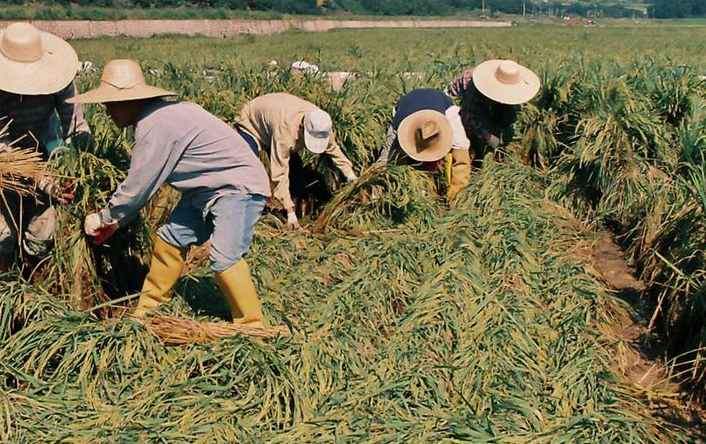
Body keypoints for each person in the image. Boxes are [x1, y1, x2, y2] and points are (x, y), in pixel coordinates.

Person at [74, 59, 269, 325]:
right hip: (205, 191)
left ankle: (252, 327)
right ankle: (147, 313)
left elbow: (140, 184)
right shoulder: (163, 114)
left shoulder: (154, 125)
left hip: (237, 189)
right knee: (170, 239)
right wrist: (117, 222)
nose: (107, 111)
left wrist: (105, 217)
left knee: (224, 258)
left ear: (128, 102)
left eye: (109, 104)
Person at [0, 22, 91, 270]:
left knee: (42, 233)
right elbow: (0, 147)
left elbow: (74, 123)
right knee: (2, 234)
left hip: (44, 152)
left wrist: (79, 159)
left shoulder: (58, 80)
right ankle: (3, 288)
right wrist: (41, 180)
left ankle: (33, 287)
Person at [234, 93, 358, 230]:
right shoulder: (285, 131)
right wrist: (289, 211)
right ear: (301, 127)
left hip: (275, 119)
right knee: (246, 167)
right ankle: (239, 211)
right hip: (252, 123)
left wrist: (350, 175)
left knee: (296, 168)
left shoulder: (321, 124)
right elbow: (279, 173)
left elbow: (334, 150)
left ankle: (294, 210)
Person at [377, 87, 472, 202]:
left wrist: (455, 197)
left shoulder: (451, 119)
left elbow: (461, 161)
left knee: (456, 165)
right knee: (389, 163)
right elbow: (387, 161)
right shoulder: (399, 127)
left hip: (440, 103)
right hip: (407, 106)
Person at [447, 59, 541, 158]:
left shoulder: (515, 80)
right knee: (471, 131)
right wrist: (488, 137)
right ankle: (475, 154)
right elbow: (469, 117)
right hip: (456, 100)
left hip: (483, 100)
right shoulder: (476, 85)